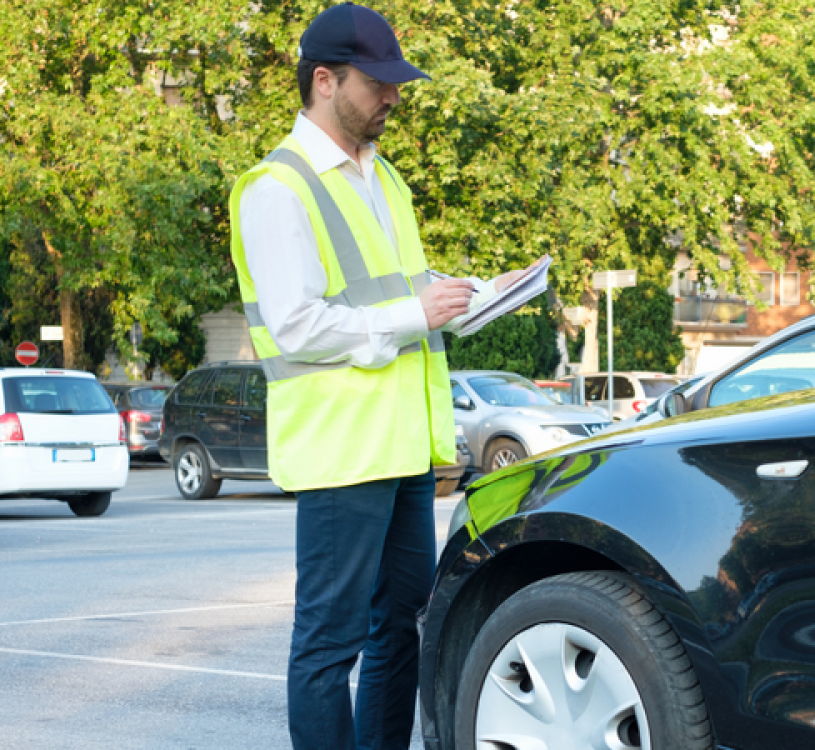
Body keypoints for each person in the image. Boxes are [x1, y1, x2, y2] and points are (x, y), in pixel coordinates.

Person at [227, 4, 542, 748]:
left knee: (401, 630)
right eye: (380, 83)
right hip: (340, 452)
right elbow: (298, 324)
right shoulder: (278, 188)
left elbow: (403, 291)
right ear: (326, 80)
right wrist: (415, 312)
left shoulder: (383, 176)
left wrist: (478, 296)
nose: (395, 97)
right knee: (328, 645)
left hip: (400, 449)